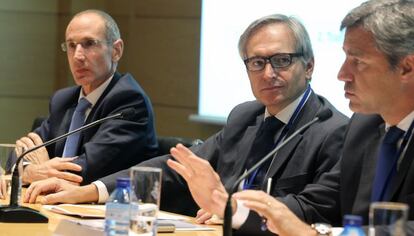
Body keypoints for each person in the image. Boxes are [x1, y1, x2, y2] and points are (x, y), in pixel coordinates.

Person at [23, 14, 348, 232]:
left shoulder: (332, 130)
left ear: (309, 66)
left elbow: (312, 210)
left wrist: (231, 209)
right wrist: (92, 192)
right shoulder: (244, 117)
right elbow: (175, 167)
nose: (268, 73)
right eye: (257, 62)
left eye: (281, 60)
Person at [231, 0, 414, 235]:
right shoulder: (365, 127)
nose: (342, 74)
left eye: (357, 61)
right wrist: (234, 209)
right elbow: (318, 204)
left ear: (406, 68)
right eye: (345, 58)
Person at [6, 9, 158, 186]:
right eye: (71, 45)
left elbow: (85, 171)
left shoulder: (129, 101)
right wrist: (33, 170)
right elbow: (16, 156)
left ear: (116, 50)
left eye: (89, 43)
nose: (77, 56)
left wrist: (35, 171)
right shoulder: (63, 100)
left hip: (112, 210)